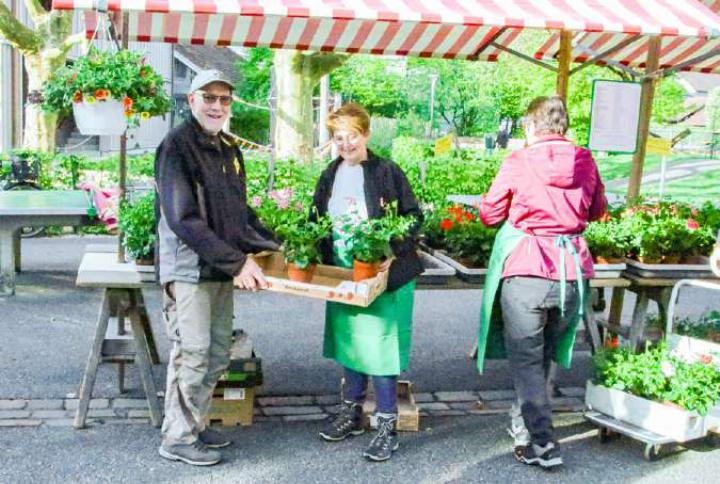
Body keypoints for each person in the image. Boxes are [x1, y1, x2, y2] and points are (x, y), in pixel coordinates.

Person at [155, 69, 279, 466]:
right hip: (190, 269)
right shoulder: (176, 147)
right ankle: (177, 437)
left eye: (224, 100)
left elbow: (237, 212)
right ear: (191, 100)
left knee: (216, 353)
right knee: (191, 353)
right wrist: (238, 262)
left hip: (221, 268)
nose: (217, 106)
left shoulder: (228, 147)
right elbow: (183, 218)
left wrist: (273, 243)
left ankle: (194, 423)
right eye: (209, 97)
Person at [477, 96, 607, 469]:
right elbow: (597, 210)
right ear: (563, 126)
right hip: (571, 272)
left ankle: (542, 443)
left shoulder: (518, 161)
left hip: (527, 269)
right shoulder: (586, 160)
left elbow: (489, 214)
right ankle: (525, 428)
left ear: (531, 126)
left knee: (527, 362)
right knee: (546, 355)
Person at [312, 103, 423, 462]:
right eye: (338, 138)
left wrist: (391, 249)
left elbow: (413, 216)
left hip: (384, 275)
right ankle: (352, 413)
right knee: (350, 344)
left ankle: (387, 424)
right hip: (344, 272)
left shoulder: (387, 171)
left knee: (380, 349)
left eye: (352, 137)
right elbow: (315, 219)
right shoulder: (330, 174)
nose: (345, 144)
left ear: (367, 135)